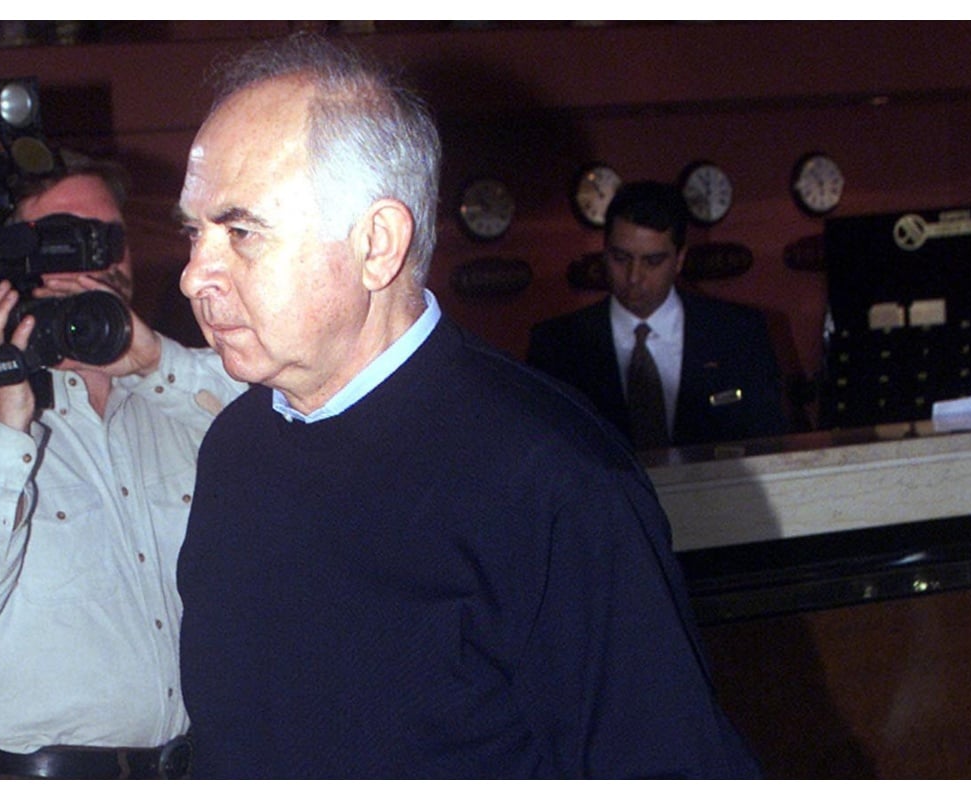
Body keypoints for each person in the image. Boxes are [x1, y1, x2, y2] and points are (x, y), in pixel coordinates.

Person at [175, 34, 761, 779]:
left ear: (377, 245)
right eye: (194, 233)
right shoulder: (234, 449)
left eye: (240, 232)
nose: (195, 275)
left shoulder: (552, 479)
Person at [0, 159, 247, 778]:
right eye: (65, 238)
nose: (96, 257)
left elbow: (294, 430)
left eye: (108, 237)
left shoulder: (173, 399)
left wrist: (153, 362)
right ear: (9, 262)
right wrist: (8, 425)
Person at [527, 181, 788, 449]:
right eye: (621, 258)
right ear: (604, 252)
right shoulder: (558, 346)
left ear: (679, 259)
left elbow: (769, 444)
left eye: (652, 261)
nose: (634, 277)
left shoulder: (739, 334)